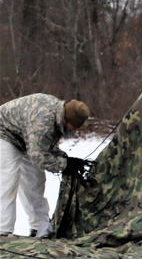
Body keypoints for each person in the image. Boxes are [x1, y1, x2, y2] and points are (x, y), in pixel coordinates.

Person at [0, 94, 91, 238]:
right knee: (8, 182)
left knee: (35, 182)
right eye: (73, 126)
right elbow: (39, 157)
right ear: (67, 119)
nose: (74, 130)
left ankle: (39, 227)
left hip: (25, 139)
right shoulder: (44, 118)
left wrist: (66, 159)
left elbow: (45, 146)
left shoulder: (57, 117)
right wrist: (65, 165)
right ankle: (3, 231)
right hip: (4, 134)